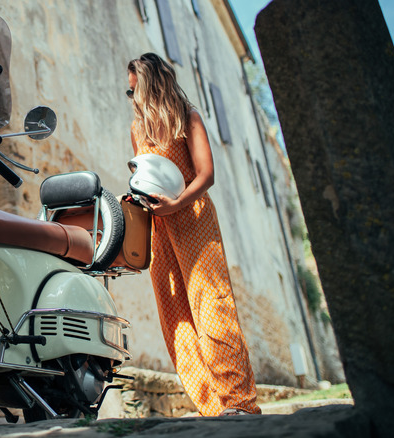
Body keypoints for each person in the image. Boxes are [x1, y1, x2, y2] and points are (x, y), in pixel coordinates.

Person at [126, 53, 261, 416]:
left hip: (194, 215)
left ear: (151, 84)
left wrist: (177, 204)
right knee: (175, 315)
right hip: (158, 225)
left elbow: (206, 174)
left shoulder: (188, 117)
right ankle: (212, 406)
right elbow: (146, 174)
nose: (131, 99)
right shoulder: (138, 128)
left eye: (133, 91)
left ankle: (239, 402)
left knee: (211, 305)